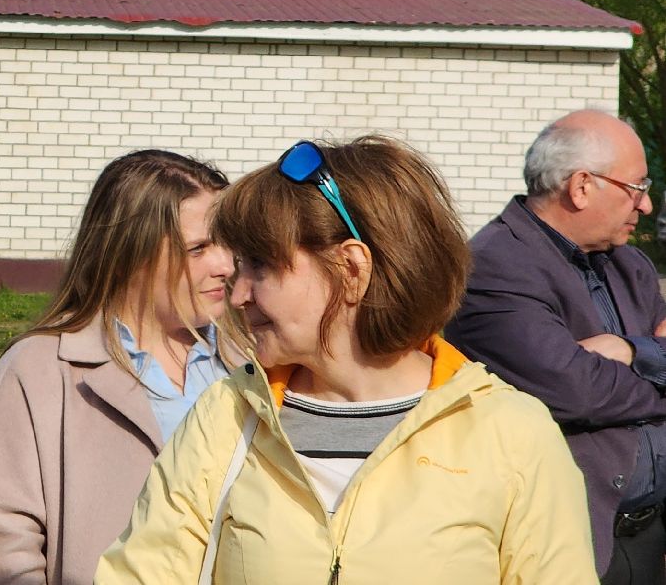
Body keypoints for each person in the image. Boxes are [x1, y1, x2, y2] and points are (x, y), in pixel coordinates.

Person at [98, 135, 596, 584]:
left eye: (263, 267)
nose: (237, 294)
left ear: (351, 269)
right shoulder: (228, 416)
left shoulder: (512, 433)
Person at [0, 150, 233, 584]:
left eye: (228, 242)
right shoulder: (39, 371)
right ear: (130, 255)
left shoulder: (253, 363)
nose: (225, 265)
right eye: (198, 249)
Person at [447, 110, 666, 583]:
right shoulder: (493, 267)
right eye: (637, 187)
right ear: (582, 186)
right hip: (567, 541)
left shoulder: (629, 265)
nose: (645, 206)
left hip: (648, 536)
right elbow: (575, 391)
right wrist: (657, 364)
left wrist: (630, 352)